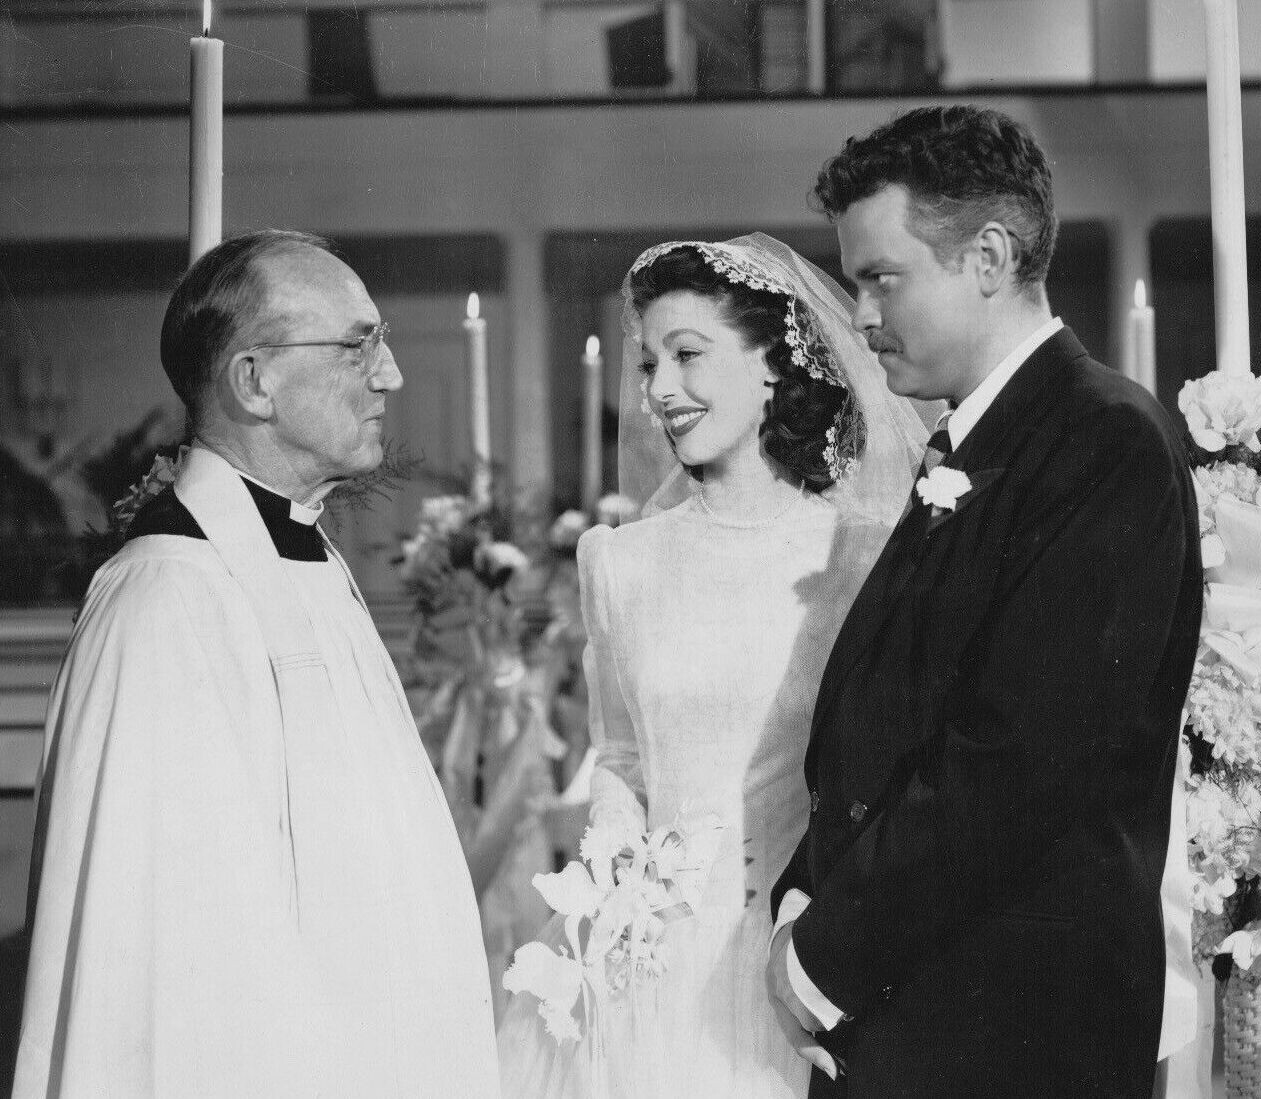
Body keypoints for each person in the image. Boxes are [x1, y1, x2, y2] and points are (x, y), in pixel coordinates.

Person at [766, 105, 1203, 1098]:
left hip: (1014, 1024)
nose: (860, 315)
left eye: (881, 278)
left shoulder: (1105, 441)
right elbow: (886, 721)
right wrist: (802, 891)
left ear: (990, 258)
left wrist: (820, 955)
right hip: (923, 1005)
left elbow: (1014, 764)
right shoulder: (974, 441)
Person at [15, 230, 501, 1098]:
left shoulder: (307, 561)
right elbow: (175, 985)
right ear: (253, 381)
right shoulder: (167, 599)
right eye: (358, 346)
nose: (390, 375)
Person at [495, 234, 934, 1098]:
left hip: (805, 956)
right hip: (647, 976)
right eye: (649, 363)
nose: (660, 389)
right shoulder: (618, 561)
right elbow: (621, 754)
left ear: (772, 364)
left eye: (687, 355)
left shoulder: (861, 556)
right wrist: (619, 881)